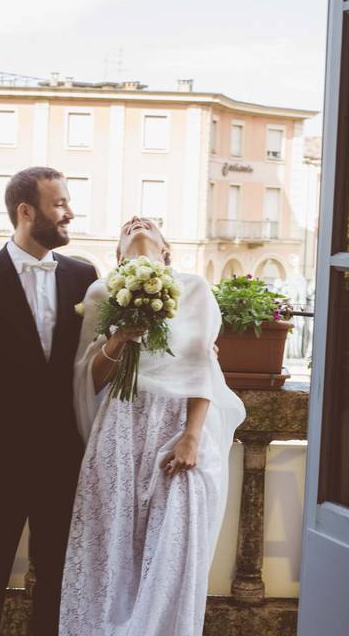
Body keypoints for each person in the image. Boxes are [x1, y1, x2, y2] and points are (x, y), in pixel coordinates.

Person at [59, 216, 246, 635]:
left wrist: (192, 437)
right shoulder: (100, 293)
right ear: (118, 255)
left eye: (148, 225)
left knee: (173, 556)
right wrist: (119, 339)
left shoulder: (195, 288)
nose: (136, 223)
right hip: (120, 429)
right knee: (111, 552)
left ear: (166, 249)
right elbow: (87, 378)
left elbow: (204, 368)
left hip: (180, 429)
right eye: (126, 226)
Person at [0, 166, 98, 636]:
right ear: (26, 212)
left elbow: (102, 358)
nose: (69, 212)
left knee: (57, 581)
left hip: (63, 462)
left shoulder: (84, 276)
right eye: (60, 204)